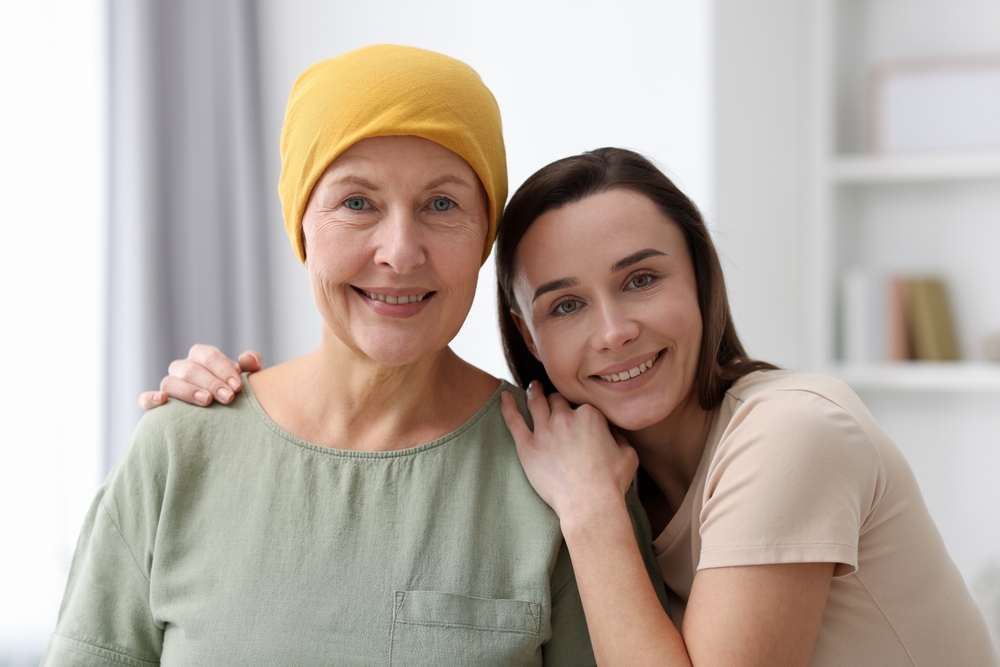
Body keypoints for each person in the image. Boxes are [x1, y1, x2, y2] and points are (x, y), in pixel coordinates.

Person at [161, 148, 998, 666]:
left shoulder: (791, 432)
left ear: (701, 279)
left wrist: (592, 512)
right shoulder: (601, 459)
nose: (613, 331)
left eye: (641, 279)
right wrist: (232, 404)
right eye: (565, 304)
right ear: (526, 332)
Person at [44, 47, 668, 667]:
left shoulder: (569, 470)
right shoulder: (178, 448)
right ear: (301, 225)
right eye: (357, 202)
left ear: (484, 234)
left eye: (442, 204)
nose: (400, 251)